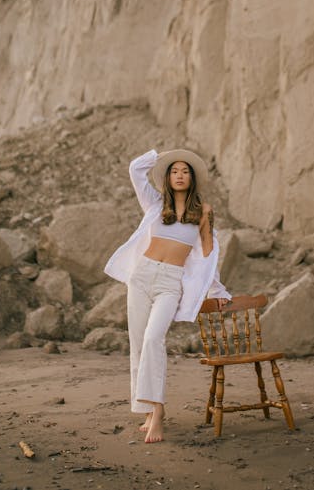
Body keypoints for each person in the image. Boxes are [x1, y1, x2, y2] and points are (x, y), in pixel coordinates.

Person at [104, 149, 232, 444]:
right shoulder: (154, 203)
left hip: (170, 282)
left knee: (153, 339)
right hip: (142, 277)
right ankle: (147, 409)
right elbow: (135, 168)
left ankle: (158, 413)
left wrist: (217, 290)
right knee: (138, 343)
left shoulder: (204, 212)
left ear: (193, 178)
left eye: (185, 171)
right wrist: (162, 155)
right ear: (167, 176)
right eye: (173, 170)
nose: (179, 175)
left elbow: (208, 256)